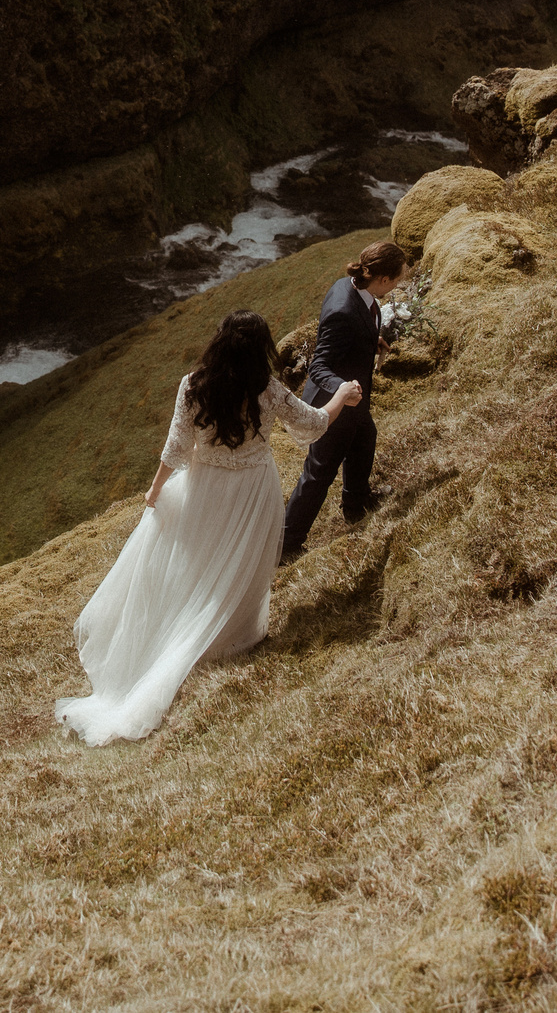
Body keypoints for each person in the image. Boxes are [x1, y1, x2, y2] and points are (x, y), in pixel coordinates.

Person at [54, 310, 362, 745]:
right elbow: (313, 423)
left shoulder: (193, 385)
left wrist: (155, 489)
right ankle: (231, 637)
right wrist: (343, 396)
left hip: (202, 489)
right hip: (253, 490)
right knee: (243, 563)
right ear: (261, 349)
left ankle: (195, 630)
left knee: (196, 561)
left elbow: (177, 447)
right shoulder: (268, 390)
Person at [281, 239, 409, 562]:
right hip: (333, 405)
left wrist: (371, 342)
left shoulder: (354, 287)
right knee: (318, 474)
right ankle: (286, 544)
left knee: (366, 438)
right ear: (382, 280)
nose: (398, 285)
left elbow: (357, 329)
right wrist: (343, 390)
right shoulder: (342, 309)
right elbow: (319, 366)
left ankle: (356, 502)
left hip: (355, 402)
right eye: (396, 280)